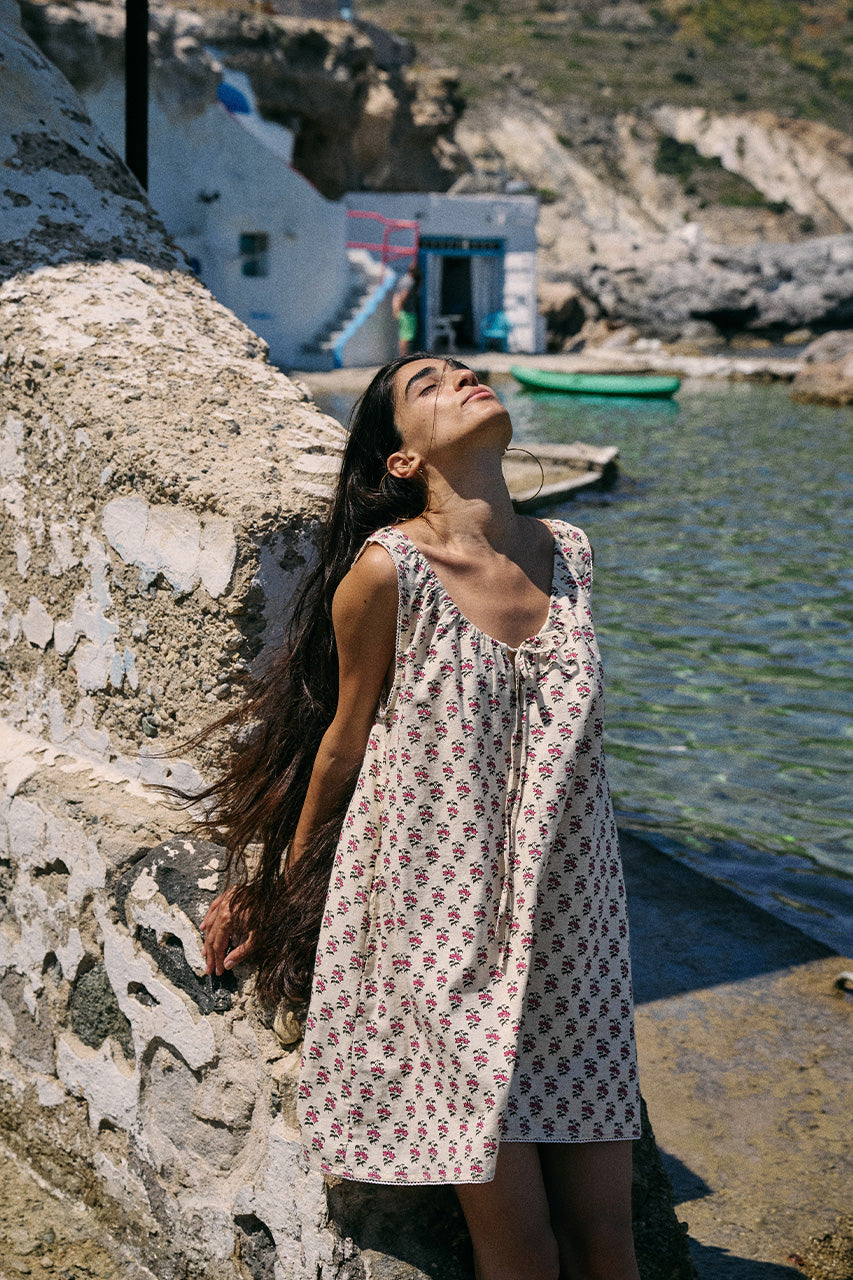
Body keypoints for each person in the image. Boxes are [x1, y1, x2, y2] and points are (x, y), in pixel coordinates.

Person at [198, 354, 641, 1280]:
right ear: (400, 460)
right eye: (429, 384)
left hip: (576, 923)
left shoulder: (570, 552)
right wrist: (267, 886)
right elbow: (341, 744)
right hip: (436, 922)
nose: (465, 377)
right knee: (524, 1251)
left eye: (466, 369)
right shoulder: (387, 571)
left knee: (608, 1240)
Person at [392, 264, 422, 355]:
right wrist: (399, 308)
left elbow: (396, 296)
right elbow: (403, 295)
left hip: (403, 312)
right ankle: (403, 355)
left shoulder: (402, 280)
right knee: (406, 336)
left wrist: (395, 309)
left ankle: (403, 355)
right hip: (407, 312)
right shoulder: (410, 281)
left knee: (403, 335)